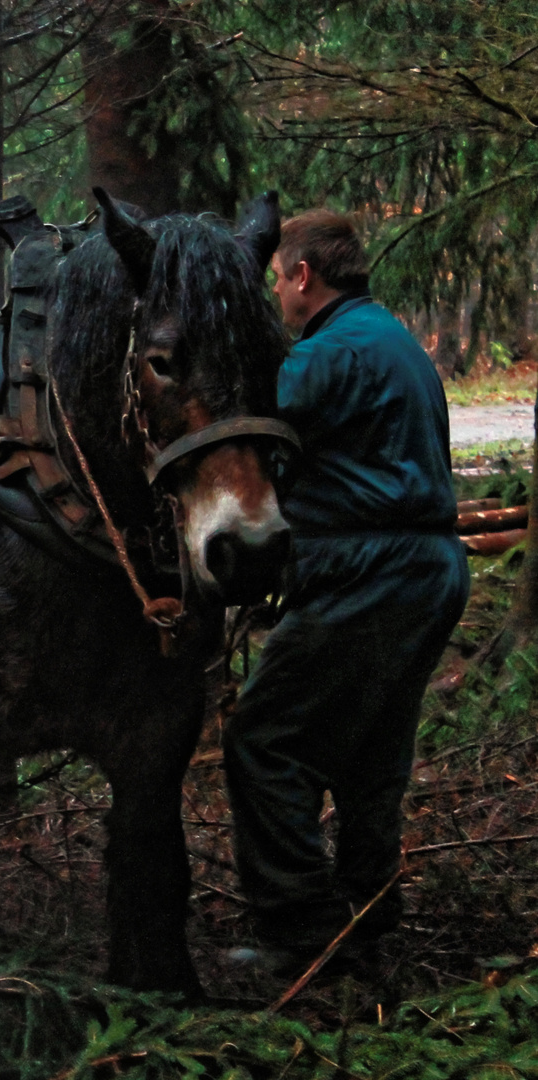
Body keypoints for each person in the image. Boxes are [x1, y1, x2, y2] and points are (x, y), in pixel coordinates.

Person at [223, 211, 469, 965]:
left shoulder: (328, 354)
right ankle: (367, 916)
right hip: (430, 569)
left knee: (264, 741)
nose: (278, 295)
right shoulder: (393, 339)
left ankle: (303, 934)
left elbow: (249, 431)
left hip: (374, 574)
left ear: (303, 275)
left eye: (277, 280)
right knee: (371, 749)